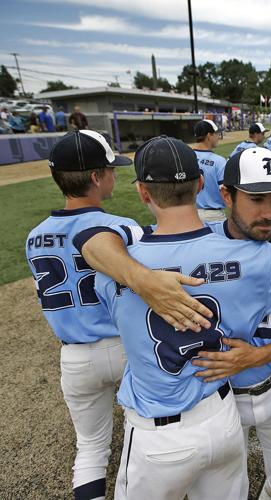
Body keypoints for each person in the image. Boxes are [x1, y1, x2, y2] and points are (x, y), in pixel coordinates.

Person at [81, 137, 271, 499]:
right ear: (219, 192)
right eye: (256, 199)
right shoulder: (247, 255)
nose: (268, 211)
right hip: (221, 400)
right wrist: (142, 279)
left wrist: (257, 355)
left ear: (143, 192)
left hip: (269, 386)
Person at [25, 130, 135, 500]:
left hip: (75, 356)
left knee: (90, 449)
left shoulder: (34, 236)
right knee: (145, 435)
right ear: (95, 177)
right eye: (109, 169)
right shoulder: (123, 227)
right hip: (127, 348)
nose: (113, 175)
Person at [193, 119, 227, 222]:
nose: (218, 137)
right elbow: (225, 191)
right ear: (209, 135)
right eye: (216, 134)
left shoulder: (186, 156)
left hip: (191, 214)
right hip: (214, 216)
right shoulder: (219, 161)